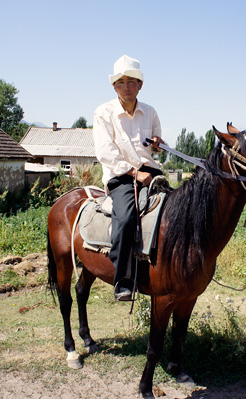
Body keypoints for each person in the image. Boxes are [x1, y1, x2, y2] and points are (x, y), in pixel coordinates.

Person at [93, 55, 165, 301]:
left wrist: (157, 145)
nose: (126, 87)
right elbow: (106, 153)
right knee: (125, 219)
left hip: (150, 171)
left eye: (132, 82)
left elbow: (154, 147)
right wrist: (135, 173)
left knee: (176, 210)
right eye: (121, 82)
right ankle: (122, 280)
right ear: (114, 86)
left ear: (140, 85)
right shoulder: (104, 113)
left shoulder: (151, 112)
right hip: (121, 176)